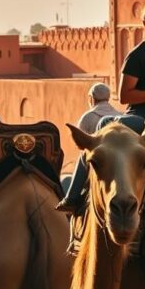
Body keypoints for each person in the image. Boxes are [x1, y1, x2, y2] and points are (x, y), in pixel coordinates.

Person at [66, 112, 145, 289]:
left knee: (90, 157)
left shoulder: (94, 117)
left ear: (92, 101)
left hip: (142, 118)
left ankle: (72, 199)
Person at [56, 83, 122, 212]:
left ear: (92, 98)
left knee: (84, 156)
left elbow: (81, 145)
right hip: (118, 162)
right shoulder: (118, 114)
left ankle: (71, 198)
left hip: (96, 163)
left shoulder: (88, 117)